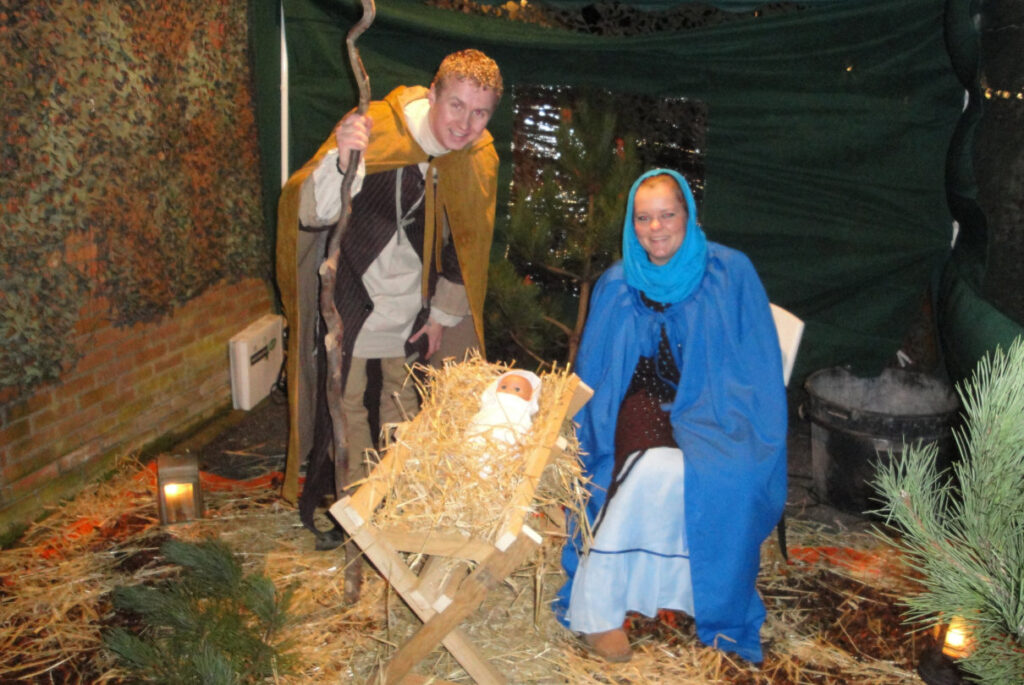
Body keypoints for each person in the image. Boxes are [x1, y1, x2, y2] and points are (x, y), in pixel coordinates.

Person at [554, 169, 788, 664]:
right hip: (641, 401)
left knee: (733, 476)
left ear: (688, 215)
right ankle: (598, 610)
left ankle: (702, 598)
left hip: (718, 403)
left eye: (667, 214)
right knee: (651, 469)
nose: (655, 228)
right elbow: (597, 374)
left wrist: (739, 421)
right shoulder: (617, 283)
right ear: (631, 223)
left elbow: (757, 363)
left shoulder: (730, 273)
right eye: (643, 218)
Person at [275, 49, 504, 550]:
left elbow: (465, 246)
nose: (465, 124)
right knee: (346, 406)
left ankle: (398, 505)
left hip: (414, 305)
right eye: (457, 105)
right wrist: (342, 161)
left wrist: (441, 315)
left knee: (404, 405)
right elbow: (312, 213)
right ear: (434, 93)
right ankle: (356, 512)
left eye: (480, 112)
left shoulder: (476, 157)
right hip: (354, 295)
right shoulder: (377, 126)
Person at [466, 370, 542, 476]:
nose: (508, 391)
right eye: (504, 387)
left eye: (517, 389)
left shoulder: (520, 411)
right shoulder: (490, 407)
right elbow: (477, 421)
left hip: (504, 445)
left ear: (529, 397)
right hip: (481, 440)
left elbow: (525, 431)